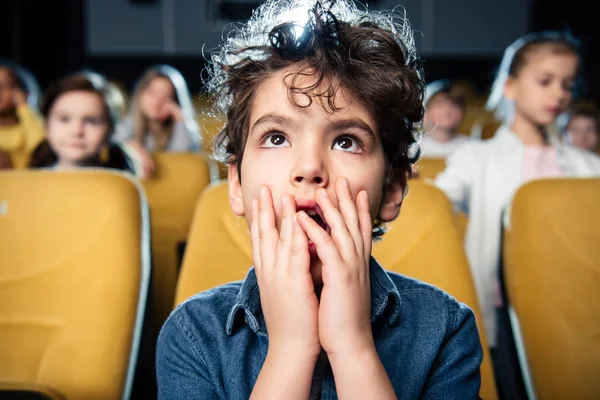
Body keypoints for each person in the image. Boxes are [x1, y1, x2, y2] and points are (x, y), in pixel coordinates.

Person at [156, 1, 483, 398]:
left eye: (346, 141)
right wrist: (290, 350)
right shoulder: (192, 334)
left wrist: (353, 347)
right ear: (238, 184)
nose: (310, 167)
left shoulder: (446, 330)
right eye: (276, 137)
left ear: (392, 191)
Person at [435, 31, 600, 351]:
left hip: (579, 301)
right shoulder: (477, 157)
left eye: (567, 84)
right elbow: (439, 199)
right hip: (505, 308)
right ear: (510, 86)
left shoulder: (589, 166)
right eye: (544, 81)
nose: (559, 94)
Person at [29, 73, 133, 172]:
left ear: (110, 129)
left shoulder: (124, 184)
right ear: (46, 125)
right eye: (64, 119)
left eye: (91, 121)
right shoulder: (29, 184)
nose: (76, 131)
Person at [113, 65, 201, 177]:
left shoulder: (179, 127)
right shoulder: (128, 123)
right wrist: (131, 148)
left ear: (176, 103)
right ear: (141, 94)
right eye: (152, 92)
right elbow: (112, 142)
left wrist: (180, 119)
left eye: (167, 97)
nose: (157, 101)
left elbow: (180, 161)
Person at [0, 61, 45, 168]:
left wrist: (24, 108)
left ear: (18, 91)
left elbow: (40, 146)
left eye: (4, 86)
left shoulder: (28, 123)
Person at [420, 79, 470, 158]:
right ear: (426, 110)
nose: (448, 110)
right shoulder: (412, 149)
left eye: (455, 104)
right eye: (440, 104)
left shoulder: (471, 147)